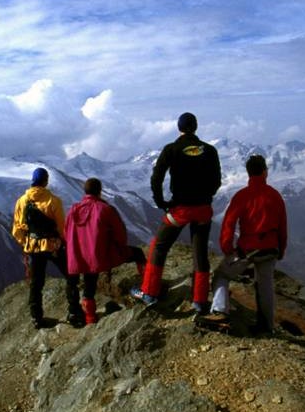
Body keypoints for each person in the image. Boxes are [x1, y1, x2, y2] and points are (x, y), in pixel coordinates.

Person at [131, 112, 221, 312]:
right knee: (201, 254)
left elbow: (156, 178)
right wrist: (207, 196)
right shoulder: (210, 150)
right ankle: (199, 301)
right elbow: (216, 181)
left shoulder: (171, 149)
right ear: (196, 127)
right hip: (203, 210)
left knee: (159, 247)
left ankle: (149, 293)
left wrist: (161, 202)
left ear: (179, 128)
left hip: (180, 210)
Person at [203, 154, 288, 334]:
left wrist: (227, 248)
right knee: (265, 287)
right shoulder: (275, 195)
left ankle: (219, 311)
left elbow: (229, 224)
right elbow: (282, 226)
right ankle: (266, 327)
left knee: (221, 275)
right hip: (271, 248)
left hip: (247, 249)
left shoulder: (242, 196)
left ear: (248, 173)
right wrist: (281, 250)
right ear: (265, 172)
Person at [64, 178, 147, 324]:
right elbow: (120, 232)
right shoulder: (104, 208)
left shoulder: (73, 210)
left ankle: (90, 317)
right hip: (102, 254)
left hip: (81, 256)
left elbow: (67, 233)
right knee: (138, 254)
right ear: (99, 191)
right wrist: (120, 248)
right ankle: (148, 285)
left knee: (89, 281)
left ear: (85, 191)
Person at [11, 167, 84, 329]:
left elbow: (17, 228)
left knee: (37, 283)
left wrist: (26, 243)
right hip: (53, 246)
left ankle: (36, 317)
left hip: (34, 247)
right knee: (71, 275)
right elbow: (61, 227)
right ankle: (74, 312)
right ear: (46, 181)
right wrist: (63, 242)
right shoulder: (53, 200)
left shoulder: (22, 201)